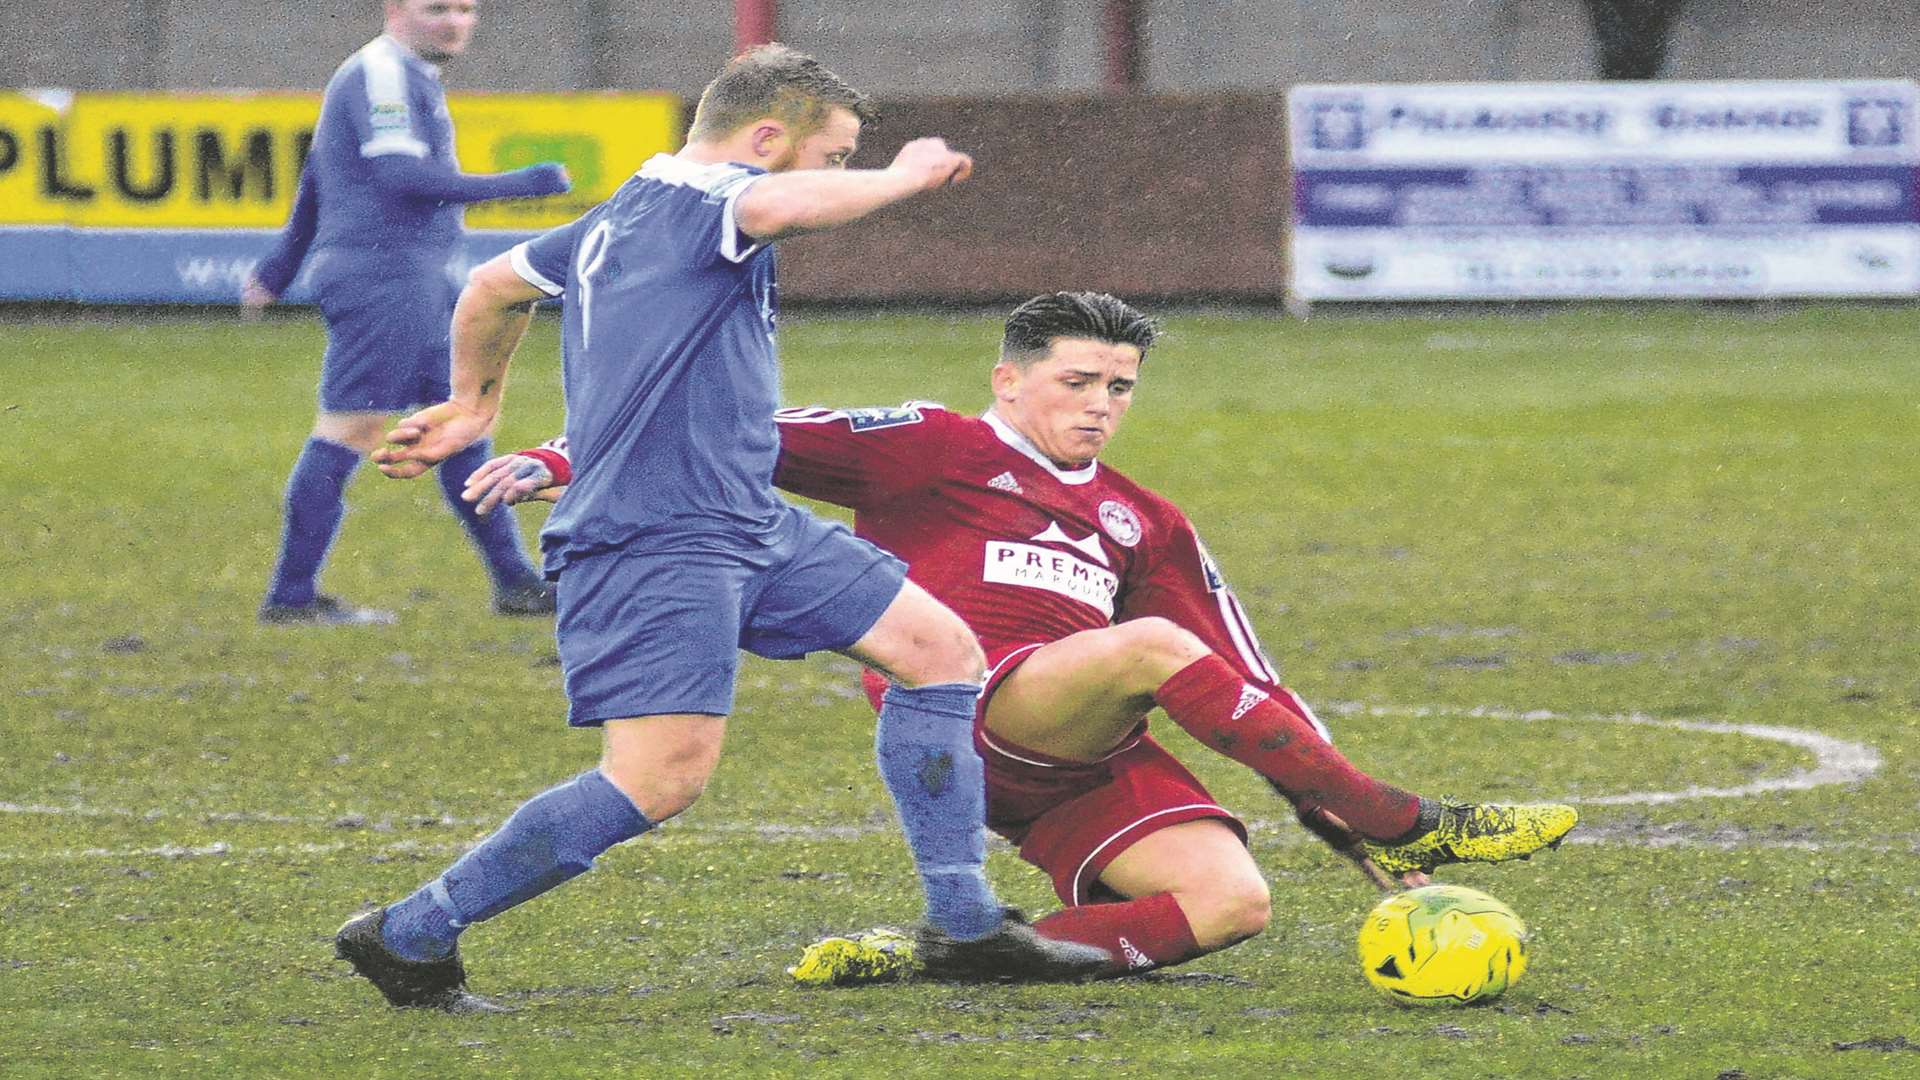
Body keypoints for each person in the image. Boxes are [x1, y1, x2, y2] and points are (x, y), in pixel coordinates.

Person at [471, 292, 1579, 984]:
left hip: (1078, 758)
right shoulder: (930, 446)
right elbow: (717, 433)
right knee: (1143, 648)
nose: (1101, 403)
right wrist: (560, 460)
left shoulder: (1145, 517)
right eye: (1078, 380)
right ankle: (1413, 819)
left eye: (1121, 387)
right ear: (1010, 379)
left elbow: (1243, 672)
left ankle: (943, 954)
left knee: (1230, 906)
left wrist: (1318, 807)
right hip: (969, 706)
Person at [335, 46, 1112, 1013]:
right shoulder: (711, 202)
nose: (836, 175)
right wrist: (904, 177)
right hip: (653, 539)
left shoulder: (618, 216)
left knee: (939, 649)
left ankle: (962, 925)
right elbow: (775, 207)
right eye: (833, 156)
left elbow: (493, 285)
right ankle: (410, 935)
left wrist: (471, 402)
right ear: (767, 139)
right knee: (660, 779)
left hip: (748, 520)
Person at [246, 0, 571, 625]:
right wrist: (520, 183)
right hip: (385, 279)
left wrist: (279, 268)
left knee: (458, 425)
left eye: (465, 9)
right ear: (397, 10)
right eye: (437, 8)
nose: (454, 22)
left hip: (413, 279)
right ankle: (290, 597)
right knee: (350, 429)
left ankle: (516, 584)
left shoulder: (396, 74)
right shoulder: (383, 72)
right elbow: (399, 176)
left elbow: (318, 176)